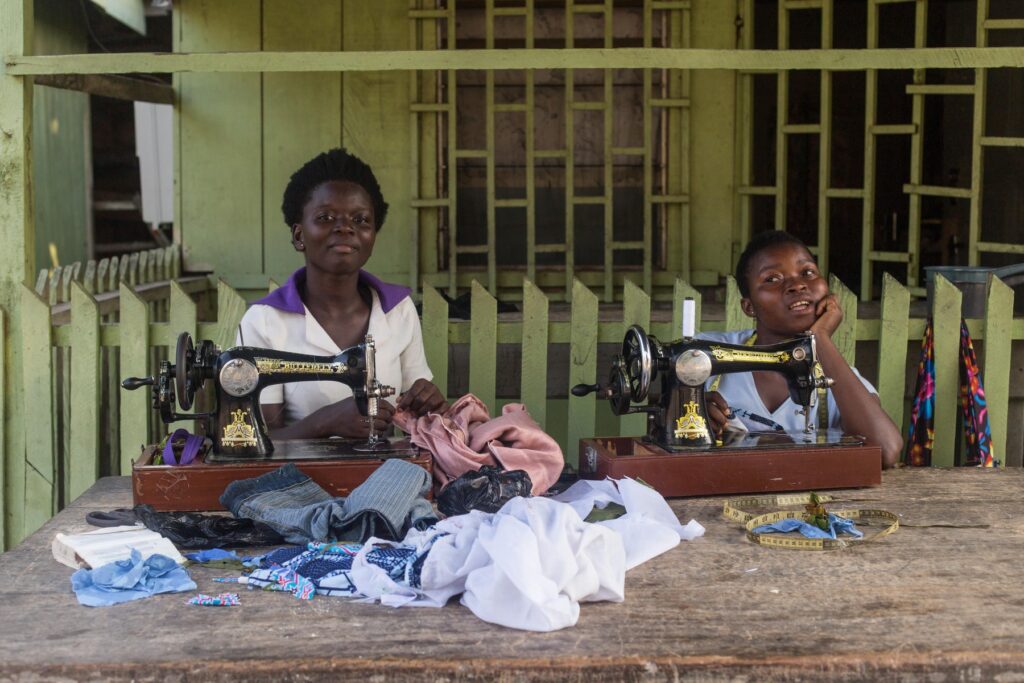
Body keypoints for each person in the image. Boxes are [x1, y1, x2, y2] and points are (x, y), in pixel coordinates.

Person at [237, 148, 447, 439]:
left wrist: (429, 402)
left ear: (373, 236)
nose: (345, 228)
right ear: (299, 236)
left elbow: (417, 415)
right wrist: (324, 423)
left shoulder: (398, 311)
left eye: (361, 220)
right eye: (325, 217)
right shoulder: (265, 322)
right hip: (294, 479)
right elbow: (252, 442)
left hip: (386, 476)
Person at [698, 231, 903, 468]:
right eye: (772, 279)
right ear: (749, 306)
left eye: (807, 272)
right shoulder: (707, 356)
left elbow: (885, 450)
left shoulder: (838, 379)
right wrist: (692, 416)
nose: (797, 285)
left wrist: (820, 339)